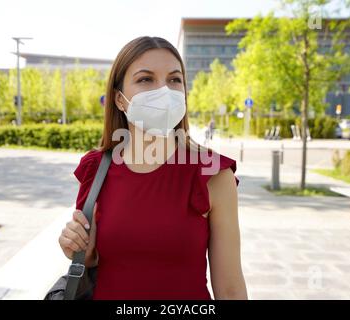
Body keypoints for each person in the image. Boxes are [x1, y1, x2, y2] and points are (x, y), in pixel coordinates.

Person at [58, 36, 248, 300]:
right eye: (146, 79)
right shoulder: (95, 169)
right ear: (120, 100)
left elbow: (230, 290)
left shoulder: (213, 173)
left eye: (174, 79)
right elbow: (93, 261)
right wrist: (80, 250)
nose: (164, 91)